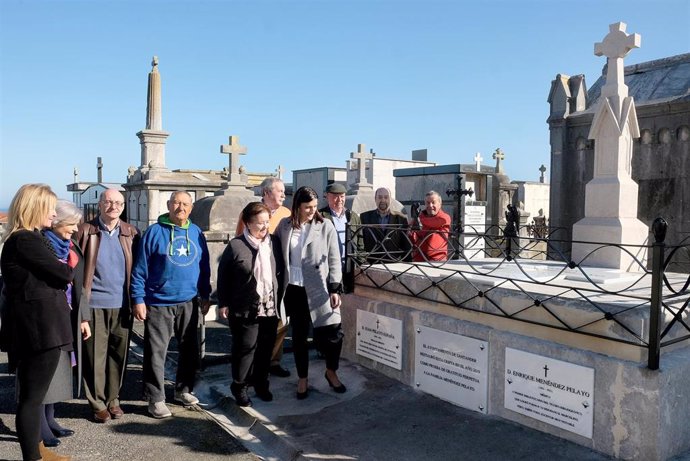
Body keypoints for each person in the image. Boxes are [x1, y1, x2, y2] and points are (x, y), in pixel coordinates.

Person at [0, 184, 74, 461]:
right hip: (40, 330)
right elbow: (64, 273)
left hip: (40, 328)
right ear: (35, 208)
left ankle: (38, 451)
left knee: (34, 396)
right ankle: (33, 457)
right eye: (50, 208)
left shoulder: (28, 238)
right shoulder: (25, 240)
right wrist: (62, 270)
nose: (54, 214)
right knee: (32, 399)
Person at [130, 190, 211, 419]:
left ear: (191, 208)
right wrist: (138, 299)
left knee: (189, 350)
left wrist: (205, 294)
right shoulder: (154, 233)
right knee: (156, 353)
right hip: (158, 302)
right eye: (176, 203)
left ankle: (183, 390)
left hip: (189, 302)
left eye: (185, 204)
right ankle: (155, 398)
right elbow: (139, 270)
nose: (180, 207)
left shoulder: (195, 232)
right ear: (168, 204)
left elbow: (204, 267)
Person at [77, 189, 140, 423]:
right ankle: (97, 403)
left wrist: (136, 301)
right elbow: (76, 274)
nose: (113, 206)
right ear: (100, 204)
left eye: (118, 203)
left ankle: (114, 399)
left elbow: (138, 271)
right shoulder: (85, 231)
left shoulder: (131, 233)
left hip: (122, 305)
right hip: (93, 305)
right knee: (95, 357)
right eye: (108, 202)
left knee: (118, 355)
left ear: (123, 207)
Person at [275, 186, 344, 400]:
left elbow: (334, 258)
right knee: (299, 337)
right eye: (307, 207)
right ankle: (303, 378)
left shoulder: (326, 226)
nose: (312, 211)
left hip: (319, 287)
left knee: (333, 333)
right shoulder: (284, 226)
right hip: (294, 289)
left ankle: (331, 371)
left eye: (314, 207)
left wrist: (335, 287)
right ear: (297, 206)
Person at [218, 202, 285, 407]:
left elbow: (280, 272)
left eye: (267, 222)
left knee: (265, 349)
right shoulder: (236, 245)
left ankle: (261, 383)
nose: (264, 227)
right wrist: (223, 303)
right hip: (245, 307)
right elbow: (223, 277)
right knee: (245, 349)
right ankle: (239, 386)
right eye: (259, 224)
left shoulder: (273, 242)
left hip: (270, 306)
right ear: (247, 223)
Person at [38, 200, 92, 449]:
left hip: (68, 316)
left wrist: (83, 317)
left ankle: (50, 419)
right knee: (42, 375)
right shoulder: (40, 245)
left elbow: (78, 283)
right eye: (71, 224)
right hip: (46, 319)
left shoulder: (69, 245)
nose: (75, 229)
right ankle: (39, 425)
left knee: (59, 371)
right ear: (56, 222)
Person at [235, 177, 292, 379]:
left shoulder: (287, 214)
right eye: (280, 191)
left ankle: (274, 361)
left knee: (280, 324)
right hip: (256, 279)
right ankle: (251, 368)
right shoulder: (249, 212)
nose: (284, 195)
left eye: (284, 191)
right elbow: (240, 243)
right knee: (256, 328)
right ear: (267, 193)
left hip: (279, 277)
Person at [360, 187, 411, 263]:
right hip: (372, 264)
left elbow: (406, 245)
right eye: (380, 197)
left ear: (390, 199)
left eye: (386, 197)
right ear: (375, 199)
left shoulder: (401, 218)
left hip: (393, 264)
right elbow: (360, 242)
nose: (383, 200)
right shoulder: (365, 217)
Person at [409, 190, 451, 262]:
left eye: (433, 202)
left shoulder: (445, 217)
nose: (430, 205)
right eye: (428, 203)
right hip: (419, 258)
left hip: (437, 260)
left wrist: (418, 220)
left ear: (440, 204)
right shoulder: (420, 216)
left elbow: (436, 222)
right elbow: (411, 234)